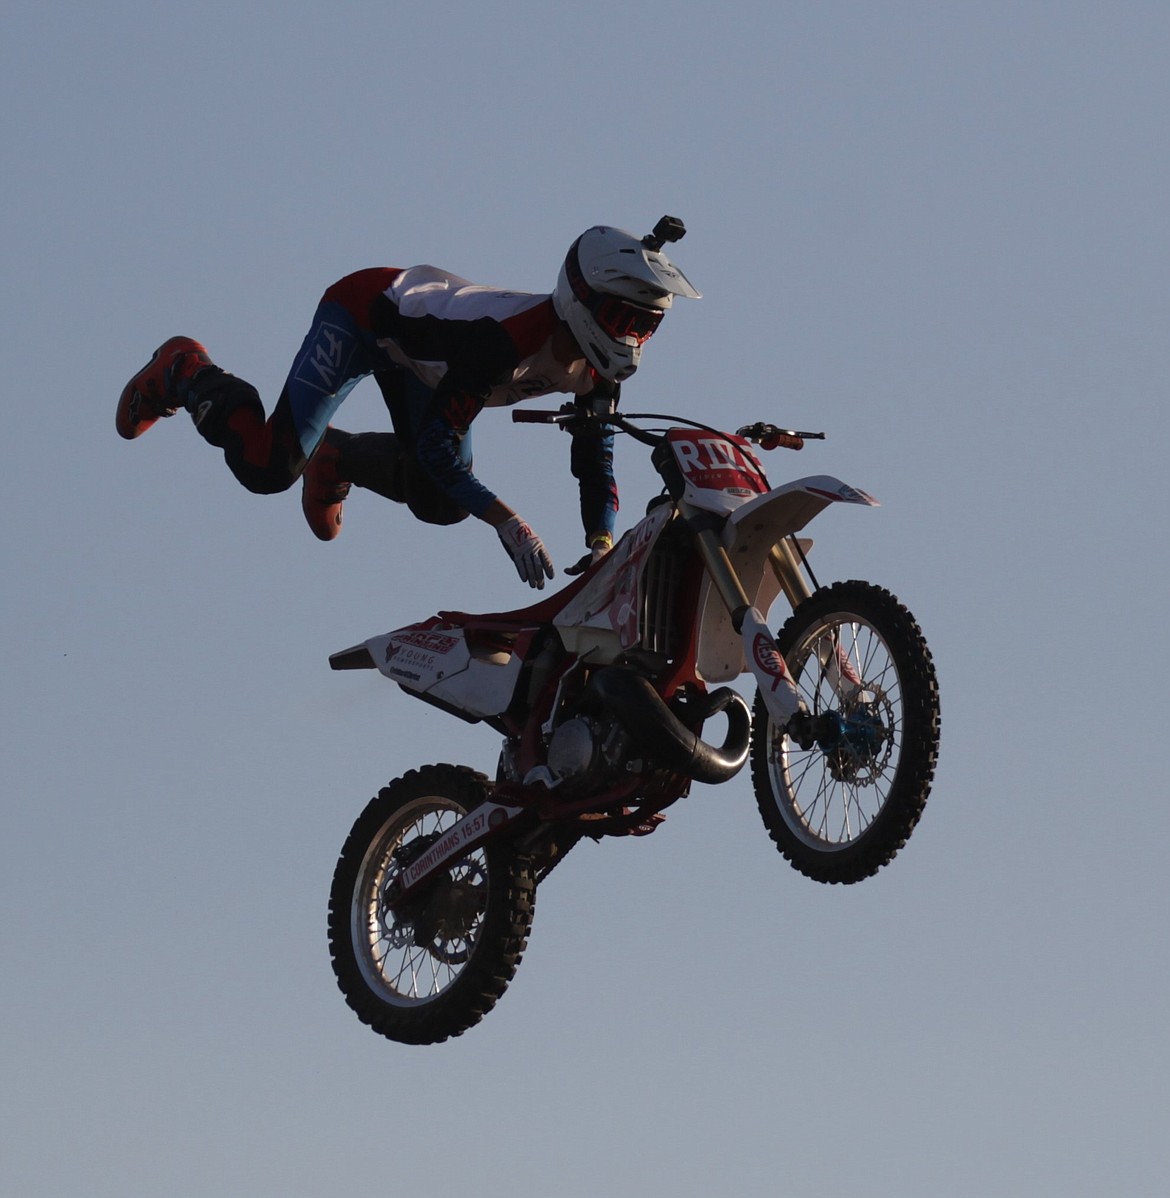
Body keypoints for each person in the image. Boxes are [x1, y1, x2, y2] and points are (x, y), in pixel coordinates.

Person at [116, 219, 700, 587]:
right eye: (624, 320)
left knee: (442, 503)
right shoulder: (503, 344)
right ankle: (186, 370)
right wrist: (508, 520)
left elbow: (597, 457)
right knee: (266, 466)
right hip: (366, 315)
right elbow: (437, 448)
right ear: (582, 300)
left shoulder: (598, 371)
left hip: (422, 361)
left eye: (647, 328)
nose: (631, 340)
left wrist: (600, 544)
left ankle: (336, 458)